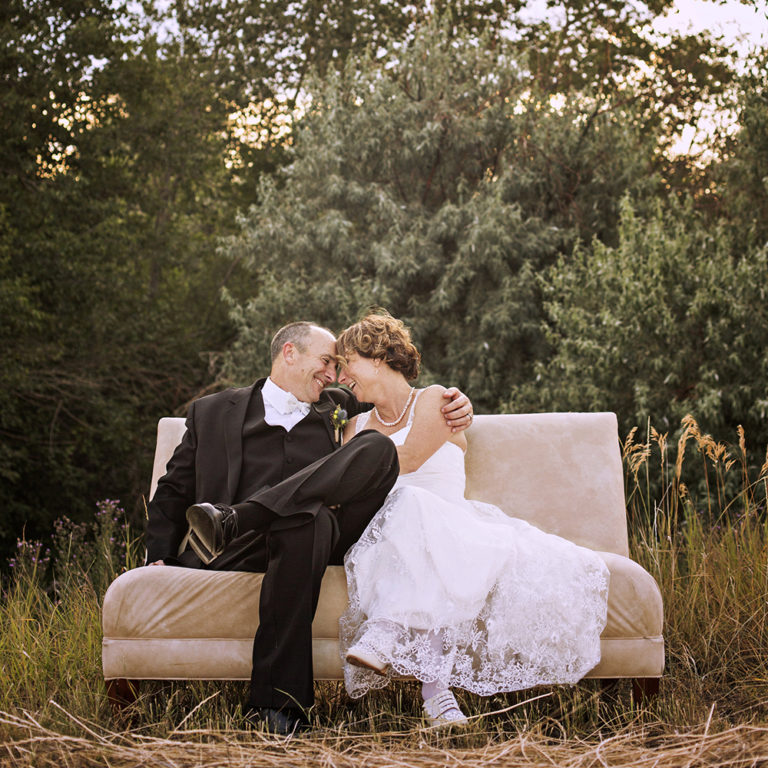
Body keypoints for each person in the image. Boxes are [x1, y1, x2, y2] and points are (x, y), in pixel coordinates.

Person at [144, 321, 473, 735]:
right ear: (289, 353)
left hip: (308, 541)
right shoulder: (212, 411)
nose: (334, 375)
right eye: (327, 361)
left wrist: (459, 403)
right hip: (227, 548)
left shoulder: (340, 405)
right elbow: (173, 489)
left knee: (361, 462)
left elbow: (398, 397)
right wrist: (158, 555)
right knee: (312, 514)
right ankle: (234, 524)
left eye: (339, 366)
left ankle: (277, 710)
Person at [334, 313, 610, 727]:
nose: (341, 374)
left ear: (375, 358)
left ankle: (387, 632)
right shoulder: (352, 425)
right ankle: (436, 696)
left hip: (455, 528)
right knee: (410, 523)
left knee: (414, 504)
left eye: (346, 362)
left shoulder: (436, 400)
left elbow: (406, 460)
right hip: (386, 537)